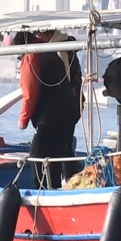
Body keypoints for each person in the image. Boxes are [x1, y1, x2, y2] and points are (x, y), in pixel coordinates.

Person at [18, 32, 83, 186]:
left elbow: (30, 92)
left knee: (38, 153)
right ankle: (66, 186)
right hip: (70, 110)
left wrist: (23, 119)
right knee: (60, 151)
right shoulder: (58, 52)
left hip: (49, 116)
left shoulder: (32, 55)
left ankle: (43, 191)